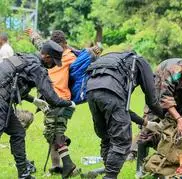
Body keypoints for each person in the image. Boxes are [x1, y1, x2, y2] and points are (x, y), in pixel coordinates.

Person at [0, 40, 74, 179]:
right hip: (1, 102)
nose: (53, 65)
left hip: (4, 101)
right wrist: (68, 103)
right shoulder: (36, 67)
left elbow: (13, 85)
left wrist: (33, 100)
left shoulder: (25, 58)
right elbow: (52, 97)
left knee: (18, 132)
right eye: (53, 61)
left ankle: (24, 173)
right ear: (46, 56)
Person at [86, 51, 165, 179]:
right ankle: (110, 176)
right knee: (121, 141)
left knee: (106, 137)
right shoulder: (141, 62)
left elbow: (123, 109)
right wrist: (166, 117)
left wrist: (146, 123)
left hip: (90, 90)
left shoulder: (117, 59)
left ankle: (108, 171)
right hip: (111, 91)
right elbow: (152, 101)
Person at [25, 29, 81, 177]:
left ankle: (69, 166)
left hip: (60, 100)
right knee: (52, 132)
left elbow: (39, 43)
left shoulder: (64, 55)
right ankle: (56, 166)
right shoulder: (67, 54)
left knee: (55, 132)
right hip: (49, 100)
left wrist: (32, 34)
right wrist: (32, 35)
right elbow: (39, 43)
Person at [140, 58, 182, 177]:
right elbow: (164, 97)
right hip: (157, 98)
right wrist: (178, 119)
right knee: (147, 131)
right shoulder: (169, 71)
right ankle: (140, 168)